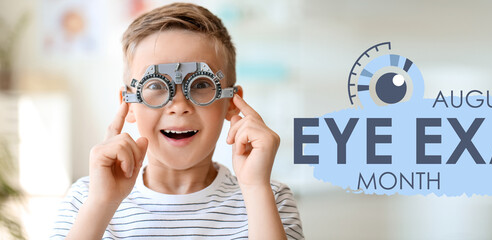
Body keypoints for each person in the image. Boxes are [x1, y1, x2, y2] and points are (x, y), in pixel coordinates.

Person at [51, 3, 303, 239]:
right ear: (128, 103)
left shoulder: (270, 197)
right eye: (156, 85)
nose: (180, 106)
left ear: (231, 101)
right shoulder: (86, 198)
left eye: (201, 84)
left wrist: (256, 189)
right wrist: (101, 204)